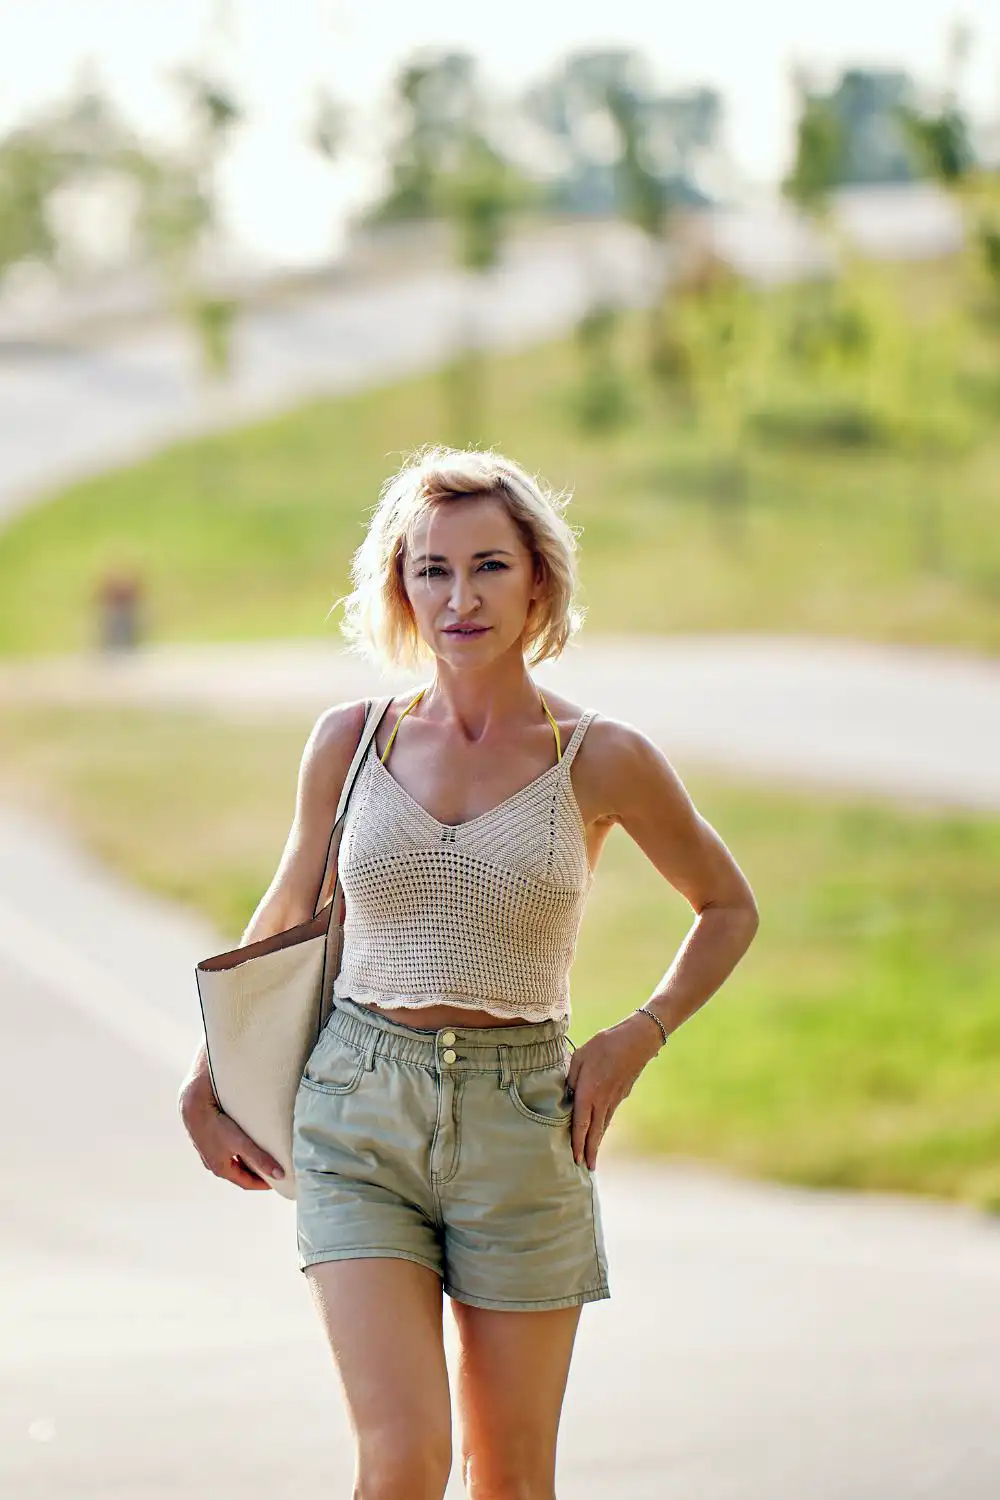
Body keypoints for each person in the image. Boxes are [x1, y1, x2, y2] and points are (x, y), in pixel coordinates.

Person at [179, 446, 759, 1500]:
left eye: (487, 565)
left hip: (522, 1124)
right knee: (401, 1462)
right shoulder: (350, 740)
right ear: (399, 586)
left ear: (537, 576)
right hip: (355, 1111)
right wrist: (205, 1072)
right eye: (430, 569)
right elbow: (286, 912)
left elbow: (727, 908)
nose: (459, 597)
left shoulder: (603, 755)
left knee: (510, 1478)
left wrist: (638, 1035)